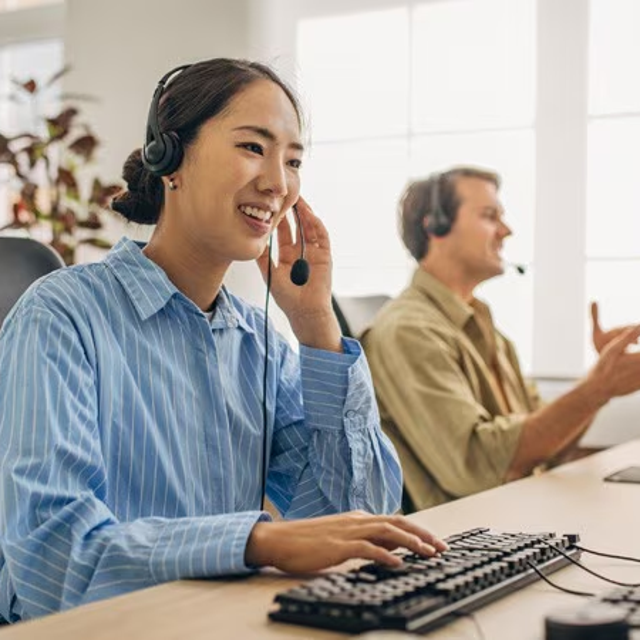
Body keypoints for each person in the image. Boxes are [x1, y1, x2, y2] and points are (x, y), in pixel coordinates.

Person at [0, 59, 447, 623]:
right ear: (170, 160)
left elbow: (356, 516)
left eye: (293, 160)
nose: (277, 183)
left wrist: (316, 326)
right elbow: (51, 562)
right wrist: (256, 543)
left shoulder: (258, 341)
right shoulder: (61, 317)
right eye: (253, 148)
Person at [362, 166, 640, 512]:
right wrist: (597, 388)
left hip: (518, 519)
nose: (507, 231)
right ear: (435, 225)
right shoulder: (409, 331)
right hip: (470, 540)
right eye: (490, 216)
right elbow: (477, 468)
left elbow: (549, 447)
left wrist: (600, 387)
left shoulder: (489, 334)